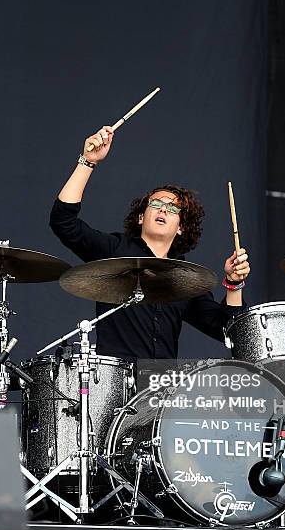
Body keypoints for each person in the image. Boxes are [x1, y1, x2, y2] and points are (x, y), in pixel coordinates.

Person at [50, 126, 250, 361]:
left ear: (181, 227)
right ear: (141, 217)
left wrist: (234, 284)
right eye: (155, 204)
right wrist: (88, 162)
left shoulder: (185, 277)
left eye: (173, 208)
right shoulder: (116, 250)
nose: (164, 208)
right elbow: (63, 222)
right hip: (114, 384)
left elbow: (227, 331)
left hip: (161, 388)